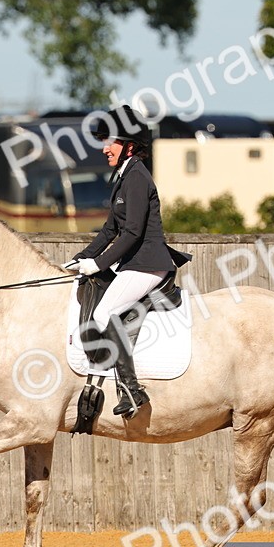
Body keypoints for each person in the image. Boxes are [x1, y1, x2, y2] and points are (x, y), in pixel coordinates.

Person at [68, 105, 189, 418]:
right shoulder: (123, 177)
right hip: (135, 263)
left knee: (107, 311)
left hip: (148, 262)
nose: (105, 148)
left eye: (111, 142)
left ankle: (132, 391)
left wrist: (99, 263)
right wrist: (83, 257)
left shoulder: (137, 177)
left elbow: (133, 232)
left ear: (130, 146)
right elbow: (110, 228)